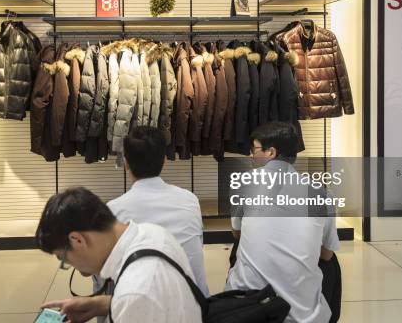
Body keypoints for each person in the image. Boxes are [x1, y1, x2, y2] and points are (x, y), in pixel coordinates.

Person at [36, 187, 202, 323]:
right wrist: (102, 304)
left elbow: (138, 299)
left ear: (77, 240)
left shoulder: (134, 294)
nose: (71, 265)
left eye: (64, 258)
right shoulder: (153, 232)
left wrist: (121, 302)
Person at [226, 121, 333, 323]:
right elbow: (326, 253)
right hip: (303, 316)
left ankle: (239, 295)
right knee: (331, 261)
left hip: (249, 308)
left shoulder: (244, 182)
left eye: (254, 149)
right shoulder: (320, 192)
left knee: (238, 247)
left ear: (271, 152)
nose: (251, 155)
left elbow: (237, 233)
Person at [106, 125, 208, 296]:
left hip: (138, 307)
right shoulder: (189, 200)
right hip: (196, 305)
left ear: (126, 164)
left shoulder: (113, 210)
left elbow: (105, 274)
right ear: (164, 161)